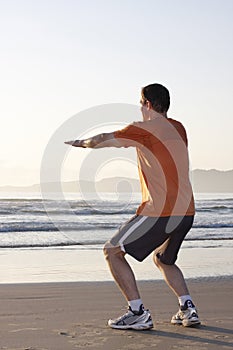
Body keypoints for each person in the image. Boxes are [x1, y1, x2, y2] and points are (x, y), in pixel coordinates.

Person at [65, 83, 200, 330]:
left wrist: (83, 143)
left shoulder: (143, 130)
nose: (140, 108)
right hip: (186, 211)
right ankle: (187, 308)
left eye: (141, 103)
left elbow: (103, 139)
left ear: (147, 104)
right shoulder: (179, 128)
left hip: (161, 211)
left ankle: (137, 311)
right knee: (163, 260)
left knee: (112, 251)